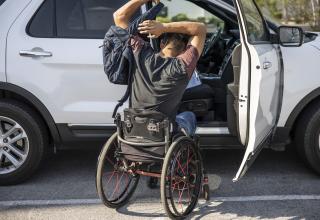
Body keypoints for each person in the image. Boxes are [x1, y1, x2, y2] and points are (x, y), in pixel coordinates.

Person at [113, 0, 206, 136]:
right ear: (185, 50)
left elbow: (119, 16)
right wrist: (164, 27)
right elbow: (200, 29)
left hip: (133, 128)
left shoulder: (141, 53)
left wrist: (160, 26)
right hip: (163, 132)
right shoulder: (184, 65)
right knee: (188, 115)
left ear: (162, 43)